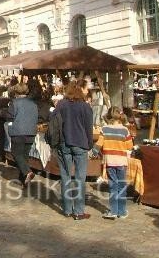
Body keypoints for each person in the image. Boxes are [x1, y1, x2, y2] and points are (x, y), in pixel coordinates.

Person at [55, 79, 94, 220]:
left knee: (65, 176)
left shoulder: (61, 104)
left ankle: (67, 209)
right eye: (86, 88)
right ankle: (78, 211)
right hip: (80, 144)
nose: (88, 91)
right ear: (80, 90)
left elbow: (53, 121)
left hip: (63, 144)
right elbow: (89, 129)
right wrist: (90, 144)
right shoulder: (85, 107)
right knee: (79, 178)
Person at [92, 107, 133, 220]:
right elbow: (129, 146)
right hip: (121, 162)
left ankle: (114, 211)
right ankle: (122, 211)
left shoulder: (104, 129)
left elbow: (99, 144)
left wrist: (93, 152)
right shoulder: (125, 130)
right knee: (121, 186)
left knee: (113, 187)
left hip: (110, 162)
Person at [5, 80, 39, 187]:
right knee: (24, 156)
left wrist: (9, 124)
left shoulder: (14, 103)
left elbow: (10, 117)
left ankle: (27, 172)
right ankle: (24, 180)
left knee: (16, 154)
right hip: (31, 132)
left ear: (15, 92)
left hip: (18, 132)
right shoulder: (33, 104)